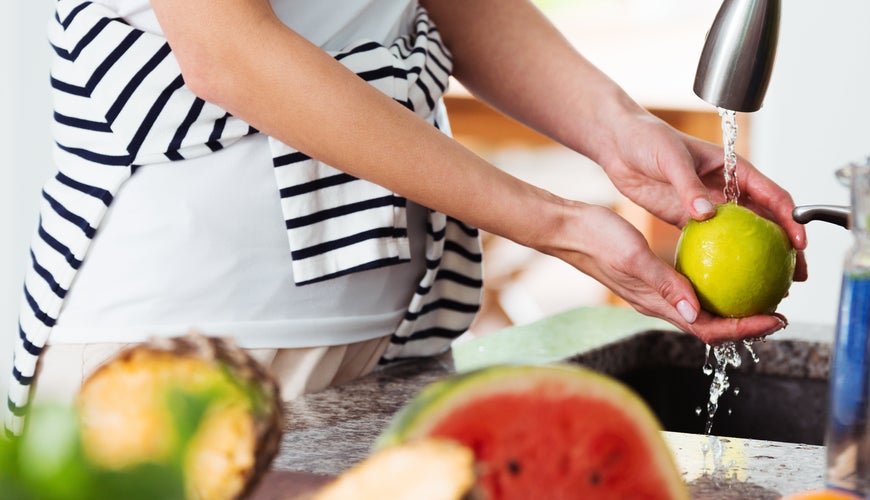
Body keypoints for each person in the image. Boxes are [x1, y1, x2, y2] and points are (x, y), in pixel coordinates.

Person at [6, 0, 806, 432]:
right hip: (184, 356)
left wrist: (620, 133)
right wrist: (554, 223)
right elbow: (228, 51)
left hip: (392, 346)